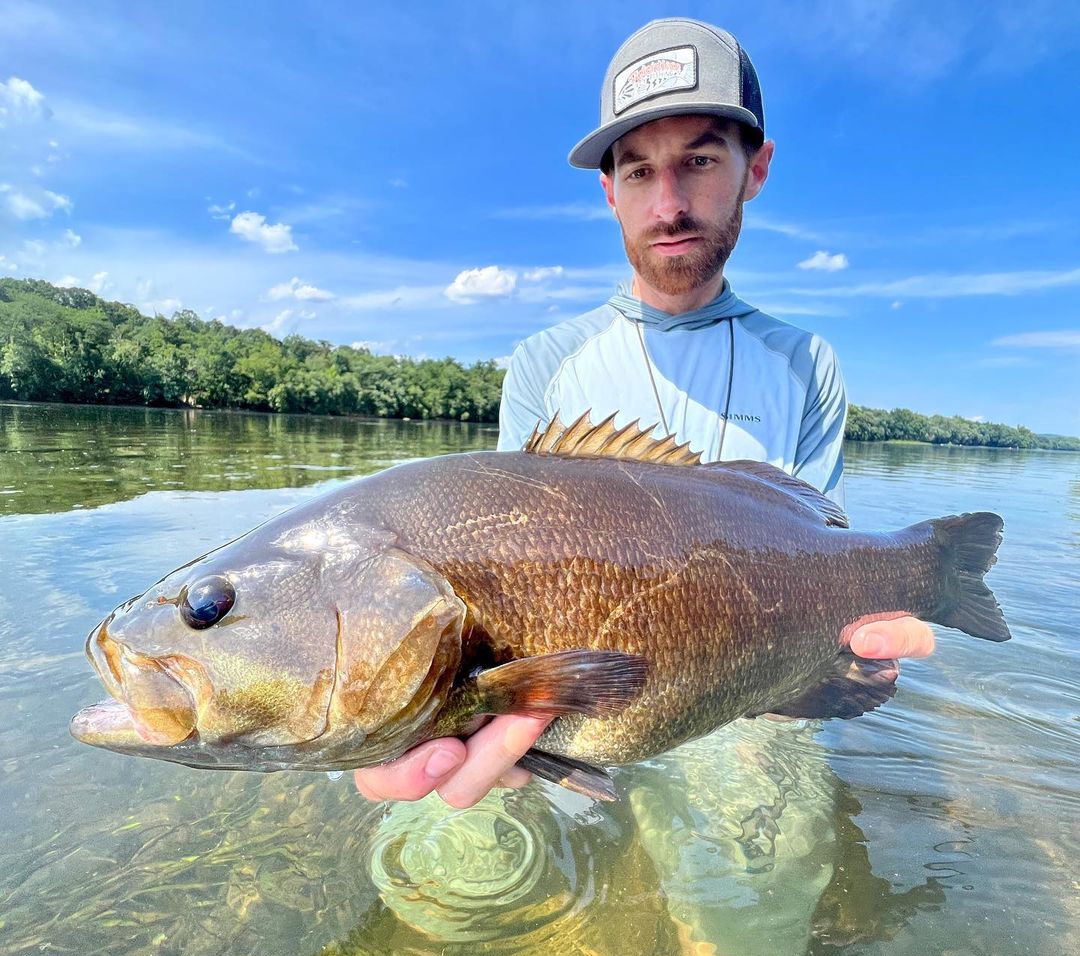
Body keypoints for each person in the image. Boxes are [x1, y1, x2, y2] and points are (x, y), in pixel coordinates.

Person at [356, 17, 935, 809]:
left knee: (753, 924)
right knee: (444, 878)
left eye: (698, 161)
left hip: (744, 720)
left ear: (756, 168)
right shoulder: (542, 364)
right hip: (566, 728)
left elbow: (815, 549)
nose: (667, 204)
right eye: (637, 172)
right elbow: (494, 581)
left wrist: (845, 649)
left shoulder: (807, 365)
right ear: (609, 190)